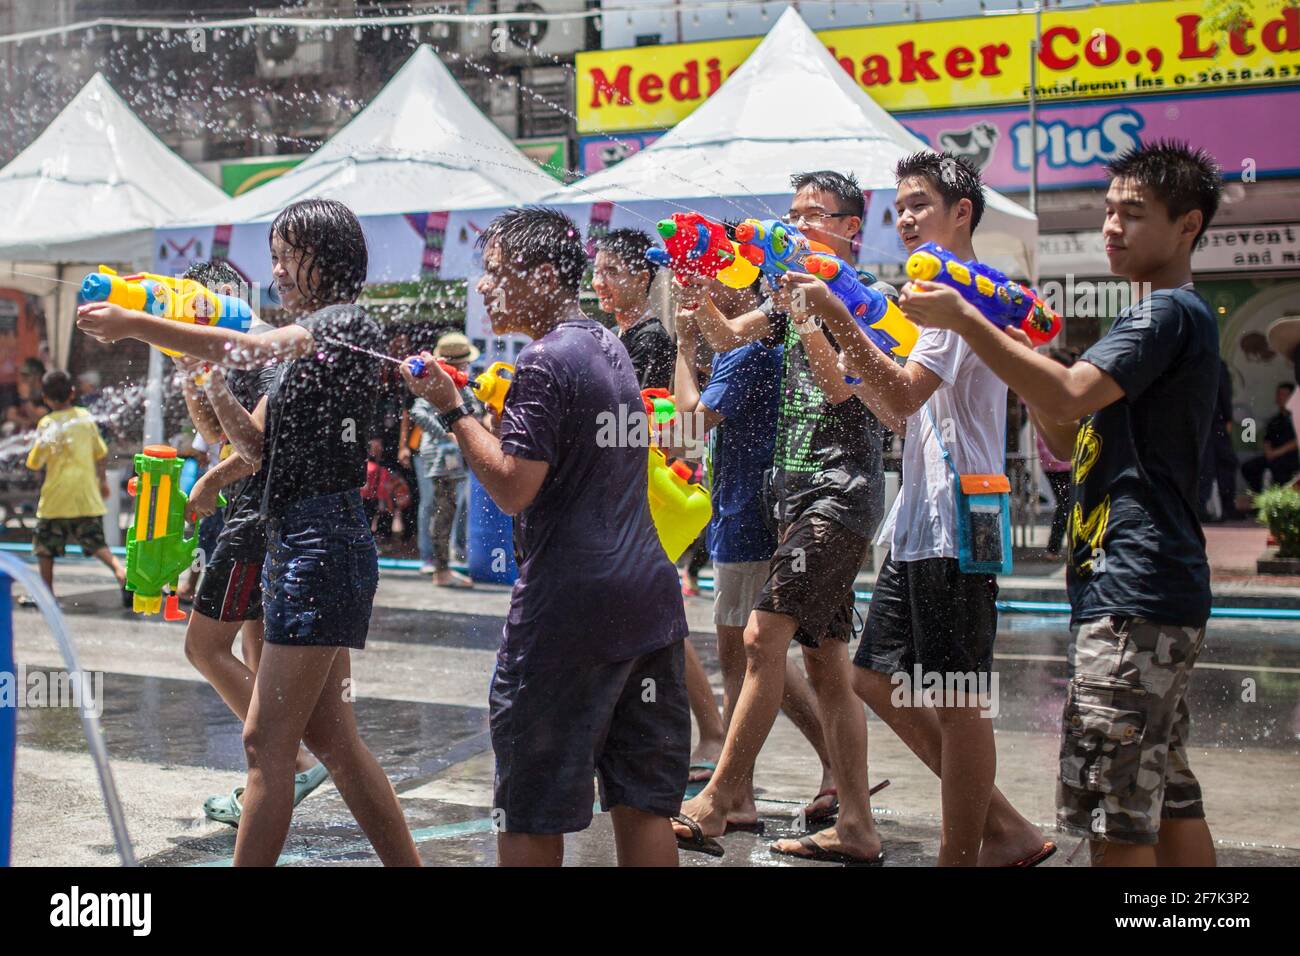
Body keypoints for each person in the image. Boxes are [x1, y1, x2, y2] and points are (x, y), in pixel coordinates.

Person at [906, 140, 1223, 866]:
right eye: (1108, 210)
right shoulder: (1152, 320)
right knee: (1167, 791)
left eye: (1133, 213)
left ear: (1188, 227)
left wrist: (965, 321)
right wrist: (1024, 356)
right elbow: (1065, 418)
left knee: (1114, 815)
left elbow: (1071, 394)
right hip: (1147, 588)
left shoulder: (1163, 314)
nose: (1112, 226)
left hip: (1133, 589)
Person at [78, 198, 420, 867]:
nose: (277, 269)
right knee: (335, 744)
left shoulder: (343, 322)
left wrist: (142, 325)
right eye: (274, 255)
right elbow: (255, 444)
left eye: (287, 254)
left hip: (321, 547)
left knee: (267, 746)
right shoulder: (300, 345)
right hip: (298, 542)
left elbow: (253, 345)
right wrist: (206, 378)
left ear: (327, 257)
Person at [788, 151, 1054, 867]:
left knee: (959, 694)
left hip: (963, 515)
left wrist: (839, 314)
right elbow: (891, 407)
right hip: (922, 519)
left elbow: (901, 395)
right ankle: (1004, 829)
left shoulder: (959, 296)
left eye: (920, 204)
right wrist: (833, 327)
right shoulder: (929, 293)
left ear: (961, 211)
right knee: (873, 676)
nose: (903, 218)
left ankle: (960, 853)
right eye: (899, 206)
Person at [402, 207, 689, 866]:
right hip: (647, 601)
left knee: (530, 809)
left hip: (571, 612)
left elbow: (511, 485)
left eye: (496, 272)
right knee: (643, 804)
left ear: (540, 275)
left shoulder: (545, 359)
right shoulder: (603, 342)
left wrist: (453, 409)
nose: (483, 287)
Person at [676, 170, 886, 864]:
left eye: (814, 215)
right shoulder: (787, 293)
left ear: (852, 227)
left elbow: (838, 388)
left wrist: (807, 314)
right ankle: (855, 824)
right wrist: (699, 302)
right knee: (826, 667)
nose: (798, 226)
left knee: (763, 637)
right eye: (792, 214)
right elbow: (733, 338)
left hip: (838, 494)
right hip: (793, 496)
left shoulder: (866, 302)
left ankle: (719, 800)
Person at [671, 270, 844, 827]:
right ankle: (744, 790)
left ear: (736, 289)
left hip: (747, 517)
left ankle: (820, 771)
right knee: (752, 658)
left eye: (700, 282)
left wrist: (683, 343)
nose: (689, 294)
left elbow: (686, 428)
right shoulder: (756, 345)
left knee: (750, 659)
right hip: (747, 511)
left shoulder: (746, 351)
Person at [163, 259, 329, 825]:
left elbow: (254, 449)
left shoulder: (257, 345)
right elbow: (215, 434)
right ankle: (269, 782)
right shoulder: (231, 351)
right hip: (260, 518)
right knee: (258, 659)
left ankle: (298, 763)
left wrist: (210, 482)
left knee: (204, 648)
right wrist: (192, 370)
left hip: (256, 519)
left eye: (188, 305)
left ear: (214, 300)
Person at [22, 369, 127, 606]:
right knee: (96, 543)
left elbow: (35, 461)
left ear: (46, 398)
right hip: (85, 495)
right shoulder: (85, 417)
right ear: (71, 393)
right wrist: (101, 482)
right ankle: (121, 572)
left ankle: (47, 595)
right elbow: (101, 454)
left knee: (45, 548)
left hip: (56, 498)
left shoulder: (47, 423)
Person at [407, 332, 477, 588]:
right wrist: (447, 433)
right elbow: (418, 412)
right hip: (439, 456)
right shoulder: (439, 380)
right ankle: (440, 569)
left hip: (449, 457)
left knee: (446, 508)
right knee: (441, 510)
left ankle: (442, 566)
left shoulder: (454, 382)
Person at [593, 228, 674, 389]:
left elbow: (634, 406)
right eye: (596, 272)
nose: (598, 283)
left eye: (611, 272)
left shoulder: (651, 338)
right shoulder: (615, 332)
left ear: (641, 279)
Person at [1040, 350, 1077, 556]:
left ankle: (1056, 548)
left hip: (1059, 461)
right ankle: (1055, 548)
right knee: (1067, 504)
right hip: (1057, 461)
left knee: (1068, 504)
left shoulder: (1058, 389)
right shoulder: (1049, 390)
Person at [1197, 358, 1241, 520]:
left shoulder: (1188, 361)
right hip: (1215, 421)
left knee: (1204, 465)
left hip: (1198, 420)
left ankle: (1201, 506)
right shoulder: (1216, 364)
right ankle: (1223, 507)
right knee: (1223, 464)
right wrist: (1228, 418)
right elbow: (1224, 391)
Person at [1240, 382, 1297, 493]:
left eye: (1284, 395)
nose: (1281, 398)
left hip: (1292, 459)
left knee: (1281, 471)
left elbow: (1296, 441)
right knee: (1249, 467)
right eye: (1279, 394)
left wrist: (1277, 452)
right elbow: (1267, 439)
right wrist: (1269, 452)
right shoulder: (1275, 420)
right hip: (1274, 457)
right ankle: (1262, 498)